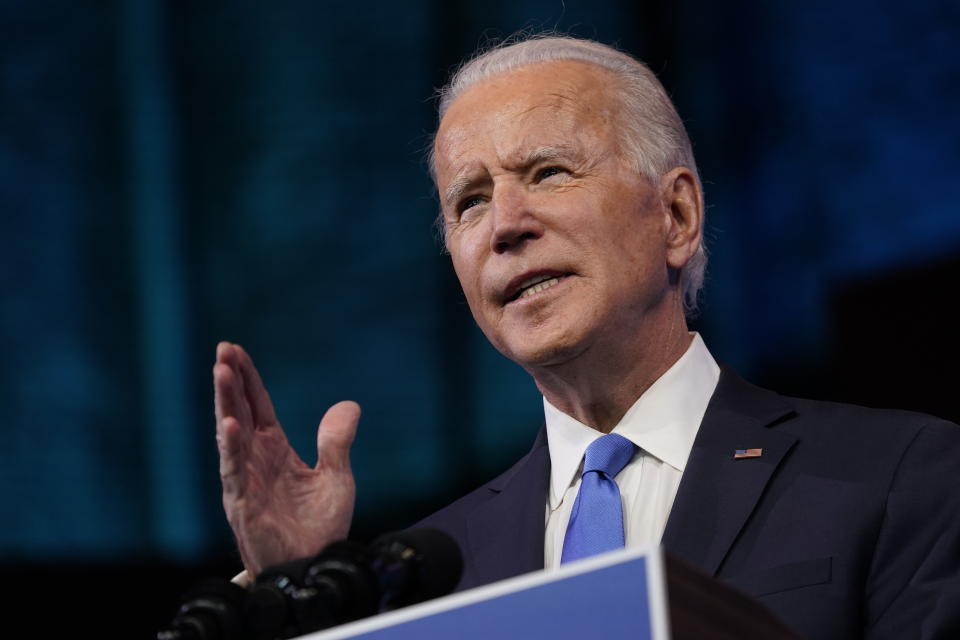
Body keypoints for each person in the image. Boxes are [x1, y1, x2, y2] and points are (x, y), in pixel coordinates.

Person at [212, 36, 960, 639]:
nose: (505, 225)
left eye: (547, 172)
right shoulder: (423, 574)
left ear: (676, 217)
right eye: (469, 201)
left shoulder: (899, 473)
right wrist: (300, 601)